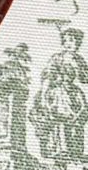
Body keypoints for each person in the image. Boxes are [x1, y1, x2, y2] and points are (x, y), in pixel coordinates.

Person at [32, 27, 88, 161]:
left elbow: (84, 78)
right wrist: (45, 95)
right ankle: (61, 148)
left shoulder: (79, 59)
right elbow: (47, 76)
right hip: (58, 92)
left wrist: (79, 69)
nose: (69, 44)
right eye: (67, 40)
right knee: (61, 118)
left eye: (73, 41)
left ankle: (76, 150)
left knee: (79, 118)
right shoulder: (57, 58)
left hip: (72, 92)